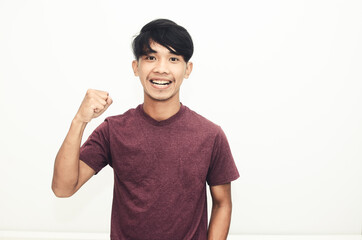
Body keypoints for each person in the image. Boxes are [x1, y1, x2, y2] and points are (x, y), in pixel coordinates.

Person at [52, 18, 239, 240]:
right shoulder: (113, 131)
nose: (161, 68)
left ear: (187, 69)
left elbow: (222, 204)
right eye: (151, 57)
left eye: (173, 59)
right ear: (136, 67)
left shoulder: (210, 135)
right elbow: (63, 188)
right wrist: (79, 121)